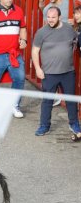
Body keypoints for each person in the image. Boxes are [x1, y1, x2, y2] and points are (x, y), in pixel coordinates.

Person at [31, 7, 81, 136]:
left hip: (68, 72)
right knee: (47, 101)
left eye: (53, 17)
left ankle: (74, 124)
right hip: (49, 73)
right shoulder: (41, 32)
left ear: (59, 17)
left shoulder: (69, 29)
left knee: (71, 100)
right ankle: (44, 126)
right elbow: (35, 51)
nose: (50, 20)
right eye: (48, 17)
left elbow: (76, 42)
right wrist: (37, 68)